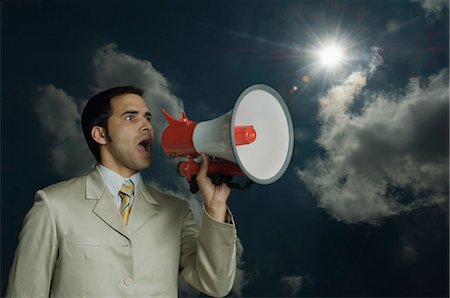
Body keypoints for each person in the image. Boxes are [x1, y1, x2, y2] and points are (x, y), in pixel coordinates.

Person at [6, 86, 237, 297]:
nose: (146, 125)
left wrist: (215, 206)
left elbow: (215, 284)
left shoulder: (176, 211)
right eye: (130, 117)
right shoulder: (53, 205)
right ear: (101, 135)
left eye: (147, 117)